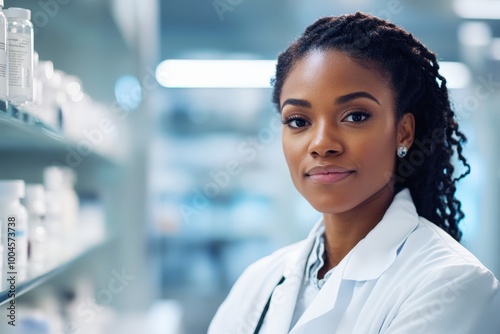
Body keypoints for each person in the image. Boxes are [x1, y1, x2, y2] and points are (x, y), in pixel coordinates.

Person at [208, 12, 500, 334]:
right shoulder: (259, 281)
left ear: (403, 132)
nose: (321, 145)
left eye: (355, 116)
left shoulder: (452, 283)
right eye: (299, 121)